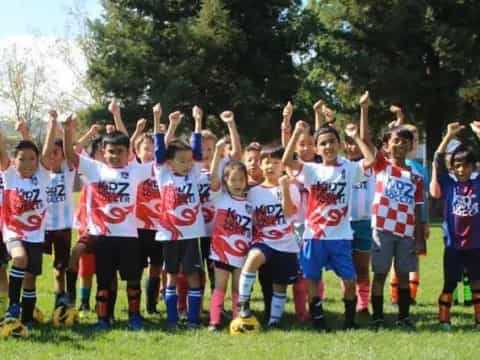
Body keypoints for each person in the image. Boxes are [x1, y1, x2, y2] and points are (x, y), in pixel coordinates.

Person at [63, 112, 153, 331]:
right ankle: (103, 318)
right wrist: (67, 130)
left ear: (129, 153)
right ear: (103, 152)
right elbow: (69, 155)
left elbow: (161, 163)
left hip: (129, 237)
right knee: (104, 281)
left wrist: (161, 128)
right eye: (110, 152)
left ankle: (134, 316)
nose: (115, 156)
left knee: (132, 280)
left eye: (120, 152)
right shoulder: (95, 169)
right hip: (103, 237)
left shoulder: (136, 171)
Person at [283, 121, 375, 330]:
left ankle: (349, 321)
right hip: (314, 236)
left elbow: (370, 160)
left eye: (332, 142)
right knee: (313, 280)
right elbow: (287, 160)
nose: (328, 147)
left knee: (350, 279)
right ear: (316, 148)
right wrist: (297, 132)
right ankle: (318, 321)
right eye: (323, 143)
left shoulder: (349, 168)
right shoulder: (311, 170)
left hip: (341, 236)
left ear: (339, 144)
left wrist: (356, 135)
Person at [0, 111, 57, 333]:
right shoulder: (10, 175)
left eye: (32, 159)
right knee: (19, 258)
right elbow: (2, 151)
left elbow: (47, 150)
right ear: (15, 161)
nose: (27, 163)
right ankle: (13, 308)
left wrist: (52, 123)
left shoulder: (42, 176)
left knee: (31, 279)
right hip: (13, 231)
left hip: (35, 235)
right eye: (22, 159)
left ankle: (27, 318)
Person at [153, 106, 206, 329]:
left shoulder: (194, 173)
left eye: (189, 161)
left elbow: (197, 151)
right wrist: (158, 119)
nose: (187, 165)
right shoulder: (162, 173)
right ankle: (172, 319)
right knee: (171, 277)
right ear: (169, 162)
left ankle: (193, 319)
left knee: (194, 277)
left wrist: (197, 122)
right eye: (181, 161)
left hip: (192, 235)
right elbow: (158, 150)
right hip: (169, 235)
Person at [238, 145, 301, 327]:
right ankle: (243, 304)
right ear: (260, 165)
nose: (270, 166)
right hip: (263, 239)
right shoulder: (253, 192)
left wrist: (284, 190)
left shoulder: (291, 188)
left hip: (286, 243)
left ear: (283, 166)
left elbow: (289, 213)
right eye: (266, 162)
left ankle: (274, 320)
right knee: (253, 259)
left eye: (275, 162)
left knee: (279, 285)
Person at [370, 126, 425, 330]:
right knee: (380, 274)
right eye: (396, 140)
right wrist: (365, 110)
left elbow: (418, 210)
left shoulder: (415, 176)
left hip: (406, 233)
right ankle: (377, 317)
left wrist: (419, 238)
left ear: (411, 146)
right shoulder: (381, 166)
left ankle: (403, 317)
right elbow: (366, 141)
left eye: (405, 141)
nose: (400, 144)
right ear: (386, 145)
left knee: (403, 275)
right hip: (382, 230)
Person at [431, 121, 480, 330]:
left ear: (473, 166)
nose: (461, 170)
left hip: (476, 245)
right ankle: (444, 319)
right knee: (450, 284)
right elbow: (437, 159)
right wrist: (448, 136)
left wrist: (478, 133)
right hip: (453, 246)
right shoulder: (449, 184)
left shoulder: (477, 184)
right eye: (457, 166)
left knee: (477, 284)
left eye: (466, 165)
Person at [208, 137, 251, 331]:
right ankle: (214, 321)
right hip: (221, 251)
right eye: (232, 179)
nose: (237, 183)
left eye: (241, 179)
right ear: (225, 181)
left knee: (238, 288)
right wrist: (217, 153)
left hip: (242, 254)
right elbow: (213, 177)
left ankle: (237, 320)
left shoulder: (251, 202)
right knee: (220, 286)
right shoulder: (220, 198)